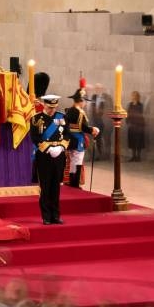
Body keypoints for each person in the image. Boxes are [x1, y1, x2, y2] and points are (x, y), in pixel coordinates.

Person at [30, 94, 70, 225]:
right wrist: (48, 149)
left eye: (54, 107)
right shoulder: (36, 119)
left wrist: (61, 147)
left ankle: (56, 215)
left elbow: (68, 135)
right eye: (49, 107)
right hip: (44, 157)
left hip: (59, 156)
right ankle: (46, 216)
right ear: (44, 104)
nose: (51, 110)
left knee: (56, 187)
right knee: (45, 187)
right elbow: (35, 137)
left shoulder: (62, 117)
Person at [64, 88, 99, 188]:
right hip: (78, 139)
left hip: (70, 139)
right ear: (81, 101)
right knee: (77, 162)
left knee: (72, 163)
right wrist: (92, 130)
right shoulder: (80, 112)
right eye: (84, 101)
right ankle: (75, 184)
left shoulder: (69, 110)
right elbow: (82, 127)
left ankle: (72, 182)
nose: (85, 104)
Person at [126, 91, 145, 162]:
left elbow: (140, 114)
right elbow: (128, 113)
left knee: (139, 141)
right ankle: (133, 156)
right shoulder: (130, 104)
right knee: (132, 141)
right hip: (131, 126)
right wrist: (128, 121)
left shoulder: (140, 105)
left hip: (139, 125)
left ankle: (138, 156)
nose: (133, 97)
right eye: (132, 95)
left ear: (137, 97)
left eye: (135, 95)